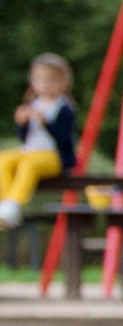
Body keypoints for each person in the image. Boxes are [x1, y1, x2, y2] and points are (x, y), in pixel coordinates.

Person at [2, 53, 78, 229]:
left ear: (64, 82)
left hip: (53, 157)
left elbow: (64, 138)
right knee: (3, 160)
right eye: (41, 80)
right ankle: (8, 205)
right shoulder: (34, 104)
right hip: (30, 151)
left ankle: (12, 205)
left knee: (28, 165)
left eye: (51, 80)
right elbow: (24, 138)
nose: (45, 85)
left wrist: (45, 123)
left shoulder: (64, 107)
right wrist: (21, 123)